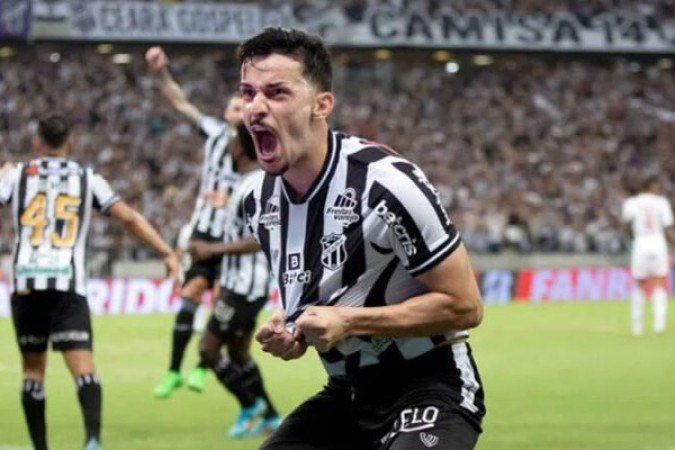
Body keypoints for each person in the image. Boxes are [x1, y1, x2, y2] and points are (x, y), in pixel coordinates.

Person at [240, 28, 486, 450]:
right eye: (248, 93)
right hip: (348, 395)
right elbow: (323, 295)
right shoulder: (257, 201)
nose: (256, 108)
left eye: (277, 93)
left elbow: (465, 305)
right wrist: (292, 332)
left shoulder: (386, 184)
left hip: (431, 385)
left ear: (321, 105)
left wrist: (348, 322)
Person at [0, 114, 180, 450]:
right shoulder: (88, 178)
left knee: (33, 371)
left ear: (36, 143)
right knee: (83, 368)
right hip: (68, 283)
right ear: (70, 143)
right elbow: (129, 218)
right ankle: (92, 441)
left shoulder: (16, 175)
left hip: (26, 282)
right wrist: (166, 252)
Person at [146, 46, 243, 398]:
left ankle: (202, 366)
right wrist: (161, 73)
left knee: (222, 307)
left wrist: (231, 200)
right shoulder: (214, 134)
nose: (238, 111)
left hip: (234, 238)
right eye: (234, 107)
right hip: (204, 231)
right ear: (226, 113)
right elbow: (180, 102)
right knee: (189, 297)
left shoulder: (261, 150)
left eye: (243, 107)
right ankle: (174, 371)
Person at [189, 122, 281, 439]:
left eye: (230, 142)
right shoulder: (246, 184)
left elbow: (259, 239)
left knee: (208, 350)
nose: (227, 147)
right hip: (242, 284)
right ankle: (271, 416)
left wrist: (211, 249)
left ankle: (249, 404)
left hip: (244, 287)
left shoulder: (253, 187)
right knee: (239, 354)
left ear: (240, 149)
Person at [621, 175, 675, 335]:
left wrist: (631, 239)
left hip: (641, 243)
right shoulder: (661, 202)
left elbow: (625, 224)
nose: (659, 189)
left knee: (639, 284)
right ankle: (659, 325)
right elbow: (668, 228)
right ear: (652, 186)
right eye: (658, 185)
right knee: (660, 282)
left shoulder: (632, 202)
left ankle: (637, 327)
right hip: (658, 243)